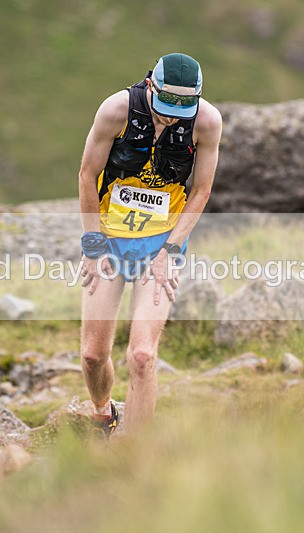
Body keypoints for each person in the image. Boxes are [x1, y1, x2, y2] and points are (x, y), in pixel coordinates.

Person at [77, 53, 223, 437]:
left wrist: (171, 251)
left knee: (142, 355)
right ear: (150, 86)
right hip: (109, 238)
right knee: (93, 355)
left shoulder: (207, 122)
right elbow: (87, 175)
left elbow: (202, 190)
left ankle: (135, 453)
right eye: (164, 110)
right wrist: (92, 245)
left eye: (181, 112)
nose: (171, 119)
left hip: (161, 242)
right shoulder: (116, 110)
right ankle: (103, 411)